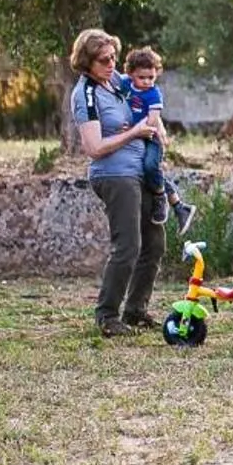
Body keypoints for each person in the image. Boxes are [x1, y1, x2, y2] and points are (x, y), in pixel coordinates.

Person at [67, 28, 163, 338]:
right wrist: (134, 133)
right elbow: (94, 147)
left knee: (155, 242)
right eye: (104, 60)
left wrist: (157, 129)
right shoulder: (86, 94)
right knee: (128, 246)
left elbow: (148, 100)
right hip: (115, 174)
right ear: (87, 62)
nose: (112, 64)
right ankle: (107, 315)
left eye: (113, 58)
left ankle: (135, 309)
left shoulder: (116, 82)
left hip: (139, 170)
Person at [120, 46, 195, 233]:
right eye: (141, 77)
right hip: (135, 136)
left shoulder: (154, 93)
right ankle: (180, 207)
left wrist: (133, 130)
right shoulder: (124, 84)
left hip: (150, 137)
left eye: (151, 78)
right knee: (145, 170)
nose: (147, 82)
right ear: (130, 74)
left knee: (150, 166)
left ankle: (161, 197)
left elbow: (153, 119)